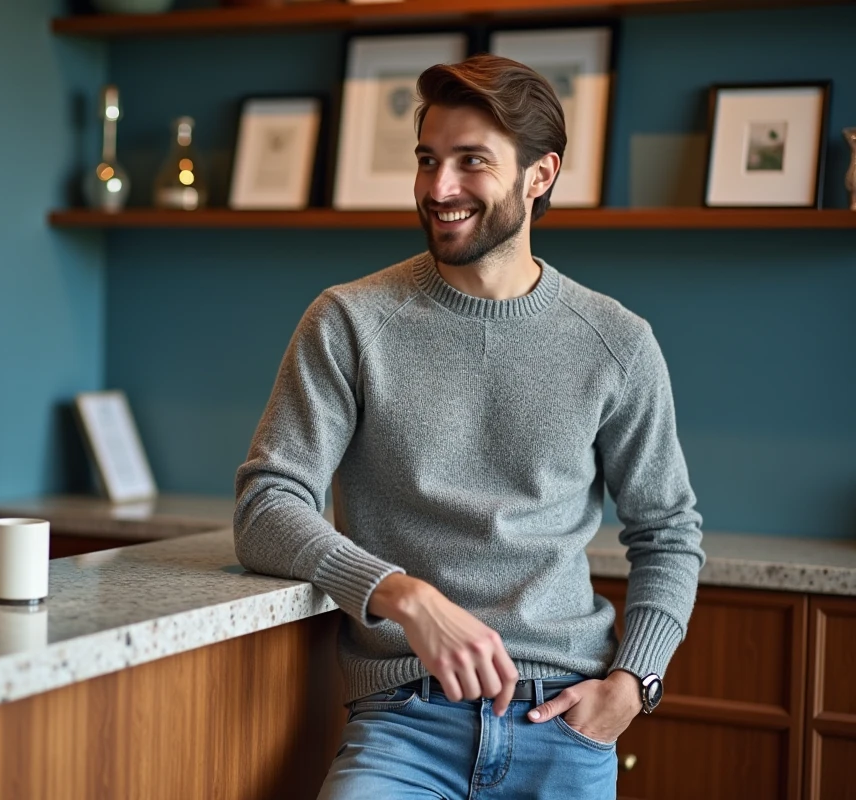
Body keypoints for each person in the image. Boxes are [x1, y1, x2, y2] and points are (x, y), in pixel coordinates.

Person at [232, 53, 705, 799]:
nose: (439, 188)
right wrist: (403, 595)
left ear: (540, 175)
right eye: (428, 160)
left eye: (471, 162)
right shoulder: (350, 321)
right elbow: (266, 506)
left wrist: (633, 684)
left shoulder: (617, 341)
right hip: (404, 722)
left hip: (565, 719)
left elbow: (668, 532)